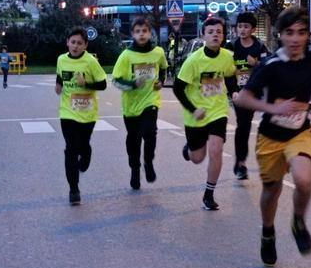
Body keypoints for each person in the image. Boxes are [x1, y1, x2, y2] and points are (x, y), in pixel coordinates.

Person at [234, 7, 311, 264]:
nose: (296, 39)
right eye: (290, 33)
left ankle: (298, 222)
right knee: (272, 190)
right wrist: (273, 108)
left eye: (301, 33)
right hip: (270, 137)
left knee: (304, 180)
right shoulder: (270, 65)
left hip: (299, 133)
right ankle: (268, 231)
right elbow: (243, 98)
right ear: (280, 35)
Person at [174, 16, 238, 211]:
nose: (215, 35)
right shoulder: (194, 61)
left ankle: (209, 194)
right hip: (196, 114)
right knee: (197, 158)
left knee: (217, 150)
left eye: (219, 32)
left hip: (218, 111)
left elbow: (230, 78)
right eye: (211, 32)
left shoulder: (227, 56)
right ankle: (189, 149)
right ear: (203, 36)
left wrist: (235, 91)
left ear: (224, 35)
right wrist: (194, 110)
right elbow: (178, 88)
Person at [112, 17, 169, 190]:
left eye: (144, 31)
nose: (141, 34)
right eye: (138, 31)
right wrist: (132, 84)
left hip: (150, 100)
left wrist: (161, 81)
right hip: (131, 106)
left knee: (150, 132)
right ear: (133, 34)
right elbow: (115, 80)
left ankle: (148, 162)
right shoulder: (126, 56)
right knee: (134, 140)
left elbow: (163, 68)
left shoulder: (158, 52)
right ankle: (135, 170)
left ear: (150, 33)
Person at [55, 26, 108, 205]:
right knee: (71, 149)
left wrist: (86, 84)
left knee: (83, 146)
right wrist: (59, 85)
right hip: (67, 112)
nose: (75, 46)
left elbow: (102, 85)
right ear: (67, 43)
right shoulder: (61, 59)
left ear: (85, 45)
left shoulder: (90, 62)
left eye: (79, 43)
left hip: (87, 113)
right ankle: (74, 190)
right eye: (73, 42)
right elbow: (60, 77)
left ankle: (87, 153)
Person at [230, 13, 268, 181]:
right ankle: (240, 163)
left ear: (253, 29)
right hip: (237, 92)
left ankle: (242, 161)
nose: (242, 30)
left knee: (246, 126)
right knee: (242, 125)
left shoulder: (260, 47)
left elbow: (269, 67)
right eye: (240, 26)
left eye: (246, 27)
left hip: (253, 92)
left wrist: (256, 64)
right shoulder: (231, 47)